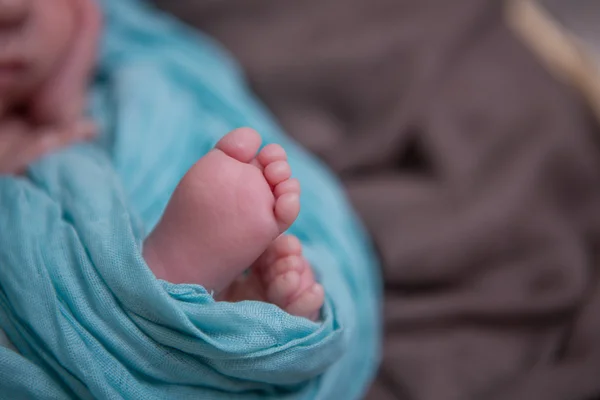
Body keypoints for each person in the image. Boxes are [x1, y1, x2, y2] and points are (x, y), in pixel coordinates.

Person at [0, 0, 324, 320]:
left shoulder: (126, 85)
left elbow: (83, 14)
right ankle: (163, 297)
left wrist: (66, 82)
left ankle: (224, 304)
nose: (10, 10)